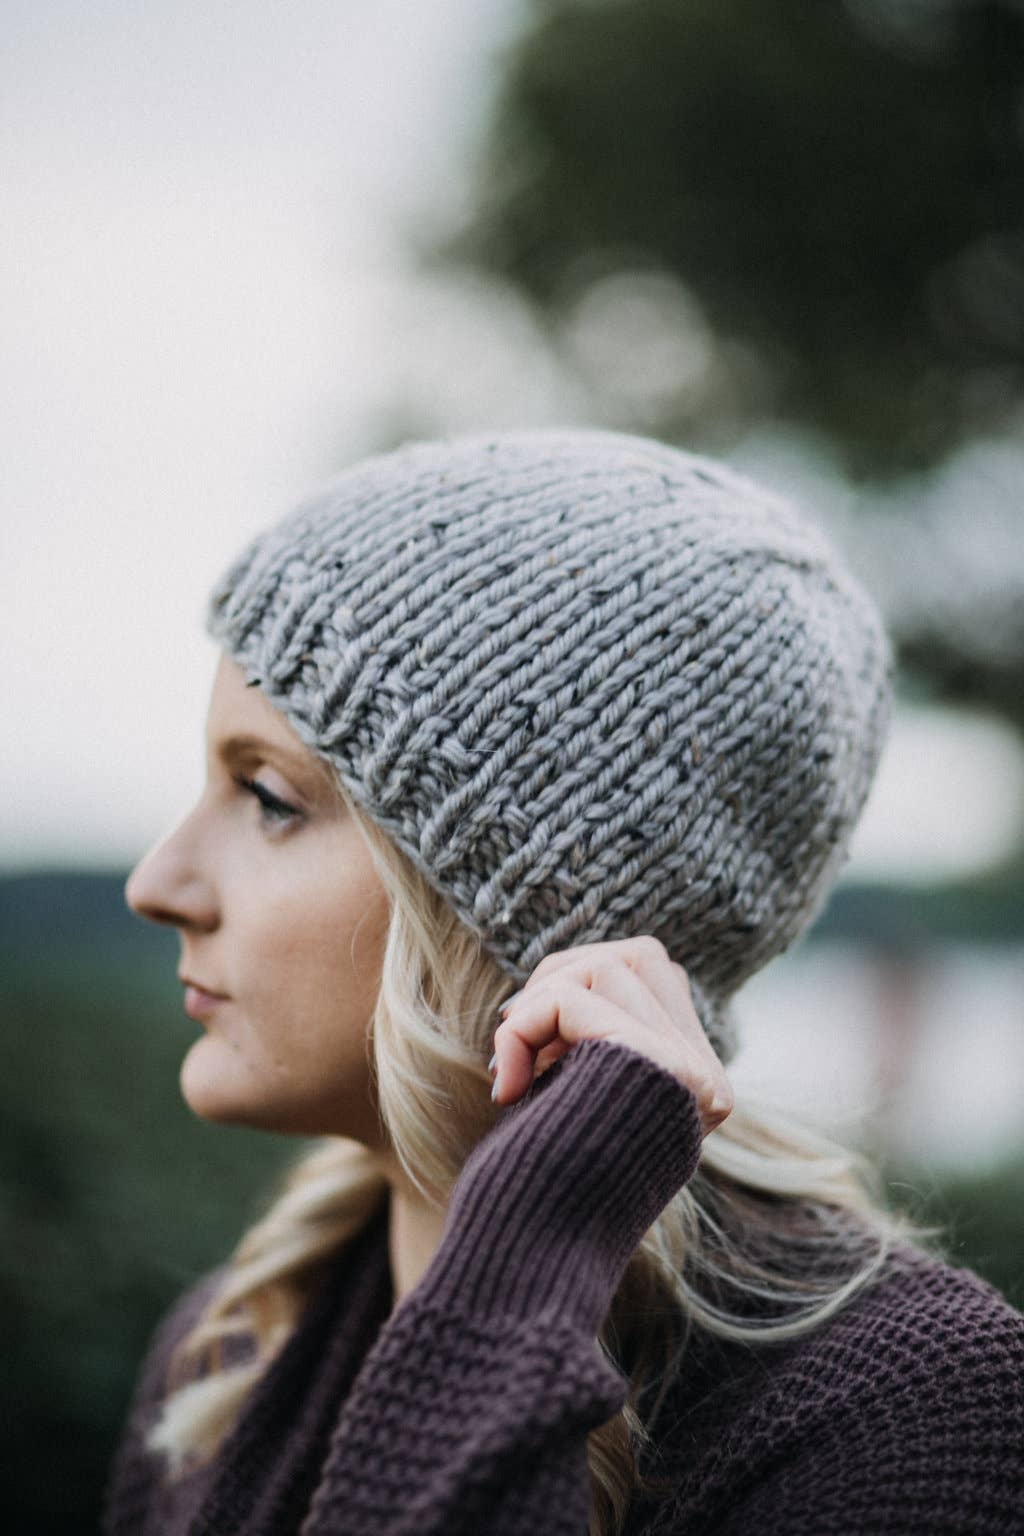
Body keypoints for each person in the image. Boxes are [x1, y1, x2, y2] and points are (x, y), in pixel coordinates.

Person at [103, 429, 1024, 1536]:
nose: (157, 883)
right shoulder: (229, 1353)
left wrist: (517, 1278)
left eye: (269, 798)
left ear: (543, 912)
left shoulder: (909, 1412)